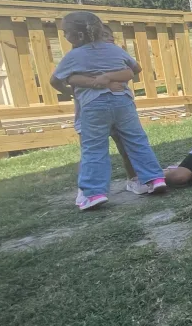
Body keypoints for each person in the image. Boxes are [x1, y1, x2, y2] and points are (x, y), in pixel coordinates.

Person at [50, 11, 168, 210]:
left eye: (66, 32)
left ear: (78, 36)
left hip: (94, 107)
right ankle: (154, 179)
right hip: (123, 102)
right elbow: (135, 68)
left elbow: (55, 81)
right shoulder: (114, 50)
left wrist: (72, 91)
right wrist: (112, 78)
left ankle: (94, 193)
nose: (64, 36)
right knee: (137, 140)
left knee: (94, 148)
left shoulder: (73, 56)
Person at [65, 23, 143, 201]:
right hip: (91, 115)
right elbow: (70, 79)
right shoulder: (79, 60)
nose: (110, 38)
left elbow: (133, 70)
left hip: (120, 111)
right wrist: (105, 83)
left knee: (127, 147)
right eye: (104, 35)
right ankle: (87, 190)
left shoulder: (115, 57)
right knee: (91, 152)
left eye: (111, 36)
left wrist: (112, 77)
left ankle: (135, 178)